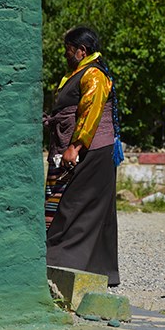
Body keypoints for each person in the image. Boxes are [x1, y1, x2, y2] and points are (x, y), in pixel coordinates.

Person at [44, 26, 120, 286]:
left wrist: (75, 146)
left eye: (68, 50)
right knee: (81, 207)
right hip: (82, 149)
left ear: (81, 50)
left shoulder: (95, 75)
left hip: (92, 150)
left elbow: (91, 111)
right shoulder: (77, 73)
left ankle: (63, 261)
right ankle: (97, 270)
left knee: (75, 206)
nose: (66, 54)